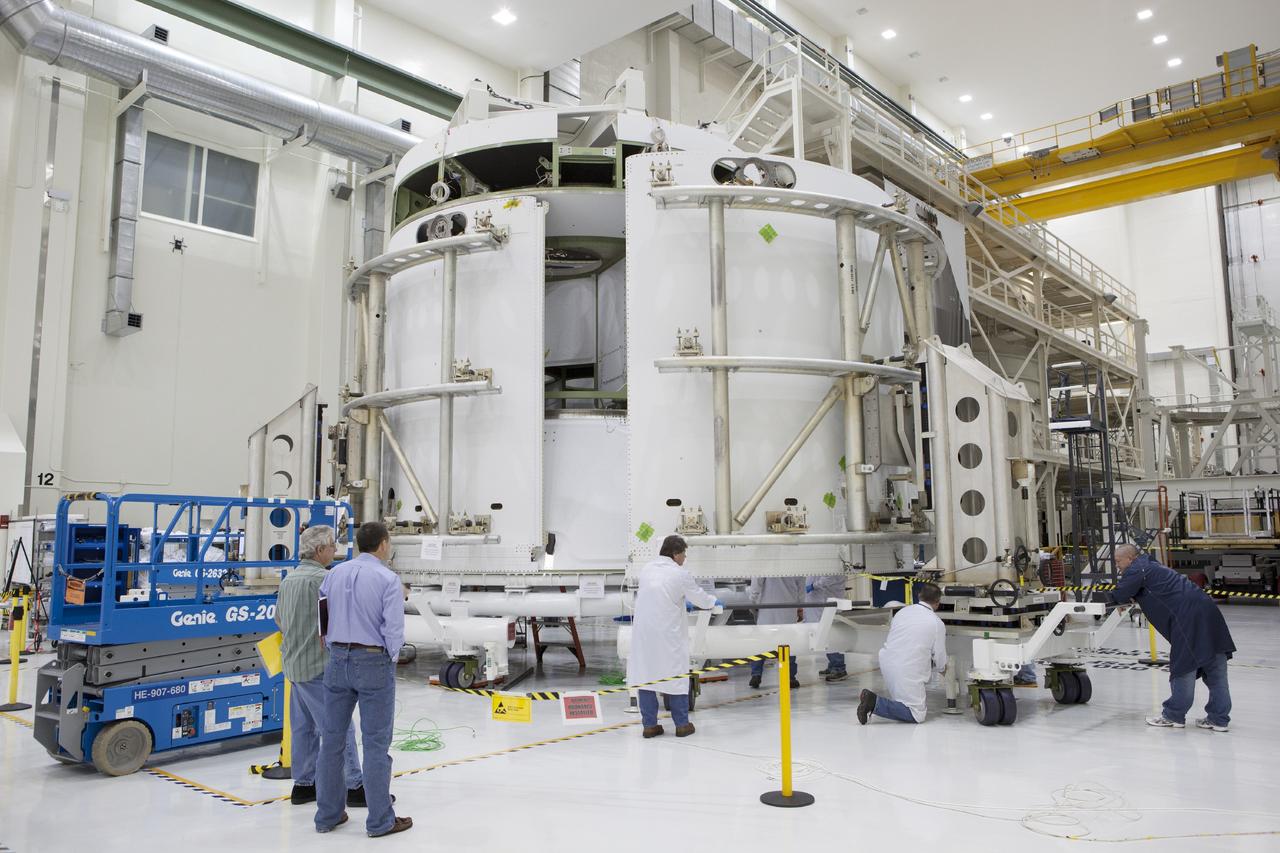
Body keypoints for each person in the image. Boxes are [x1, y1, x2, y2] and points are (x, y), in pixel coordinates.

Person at [314, 522, 412, 837]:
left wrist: (332, 646)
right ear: (383, 545)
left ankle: (327, 816)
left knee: (331, 741)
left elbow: (323, 617)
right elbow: (393, 629)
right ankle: (380, 821)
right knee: (375, 744)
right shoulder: (388, 579)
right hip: (373, 661)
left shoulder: (333, 574)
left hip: (337, 659)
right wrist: (390, 659)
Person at [275, 525, 365, 806]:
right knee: (339, 727)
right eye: (332, 547)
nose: (335, 552)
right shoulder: (325, 580)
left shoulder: (288, 580)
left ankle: (304, 785)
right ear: (319, 551)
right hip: (319, 665)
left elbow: (278, 619)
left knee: (303, 727)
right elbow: (339, 622)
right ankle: (355, 787)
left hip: (293, 665)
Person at [1111, 544, 1235, 732]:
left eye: (1118, 561)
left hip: (1187, 618)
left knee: (1184, 665)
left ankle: (1174, 715)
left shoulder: (1137, 569)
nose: (1117, 566)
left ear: (1129, 558)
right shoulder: (1152, 565)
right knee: (1215, 667)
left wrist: (1120, 598)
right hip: (1208, 611)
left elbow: (1119, 593)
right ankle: (1219, 719)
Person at [627, 535, 719, 738]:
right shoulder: (679, 573)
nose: (685, 558)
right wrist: (713, 602)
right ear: (676, 554)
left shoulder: (647, 569)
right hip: (668, 635)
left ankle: (649, 726)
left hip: (644, 635)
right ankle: (682, 725)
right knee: (676, 676)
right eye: (684, 554)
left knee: (646, 676)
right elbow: (699, 598)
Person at [857, 582, 947, 724]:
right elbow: (940, 656)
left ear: (919, 596)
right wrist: (944, 670)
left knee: (903, 703)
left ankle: (877, 702)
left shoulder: (902, 612)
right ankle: (874, 702)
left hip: (887, 663)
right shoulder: (936, 623)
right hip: (907, 669)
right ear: (937, 603)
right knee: (917, 714)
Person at [747, 576, 805, 689]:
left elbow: (756, 583)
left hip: (767, 609)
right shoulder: (796, 562)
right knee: (788, 645)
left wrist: (752, 602)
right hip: (788, 609)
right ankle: (790, 677)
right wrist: (800, 606)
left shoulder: (766, 561)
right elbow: (801, 586)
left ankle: (756, 675)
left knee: (761, 644)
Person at [805, 575, 847, 681]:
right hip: (825, 605)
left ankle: (839, 668)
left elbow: (828, 580)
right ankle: (833, 665)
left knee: (830, 636)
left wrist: (813, 586)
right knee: (826, 636)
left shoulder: (834, 568)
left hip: (831, 604)